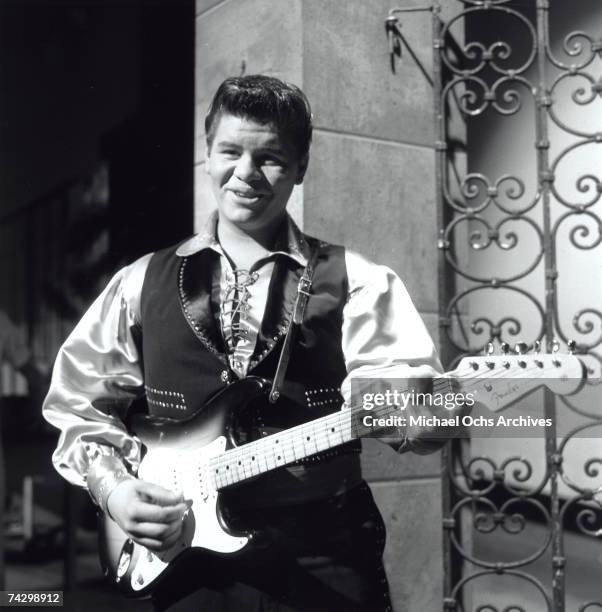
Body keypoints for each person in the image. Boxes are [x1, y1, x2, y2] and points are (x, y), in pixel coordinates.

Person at [43, 75, 447, 611]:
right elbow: (78, 402)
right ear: (207, 155)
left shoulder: (360, 279)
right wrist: (113, 490)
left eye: (271, 158)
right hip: (186, 558)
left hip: (325, 551)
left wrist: (423, 412)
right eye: (229, 151)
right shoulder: (141, 280)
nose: (246, 173)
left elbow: (427, 415)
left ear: (302, 167)